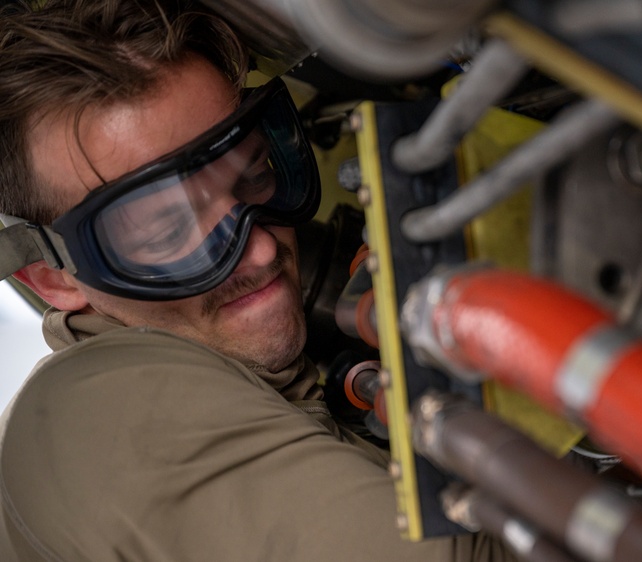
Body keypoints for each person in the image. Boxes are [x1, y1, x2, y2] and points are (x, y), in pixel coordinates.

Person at [0, 1, 516, 560]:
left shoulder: (268, 393)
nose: (265, 246)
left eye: (254, 176)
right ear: (53, 278)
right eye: (170, 229)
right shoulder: (91, 413)